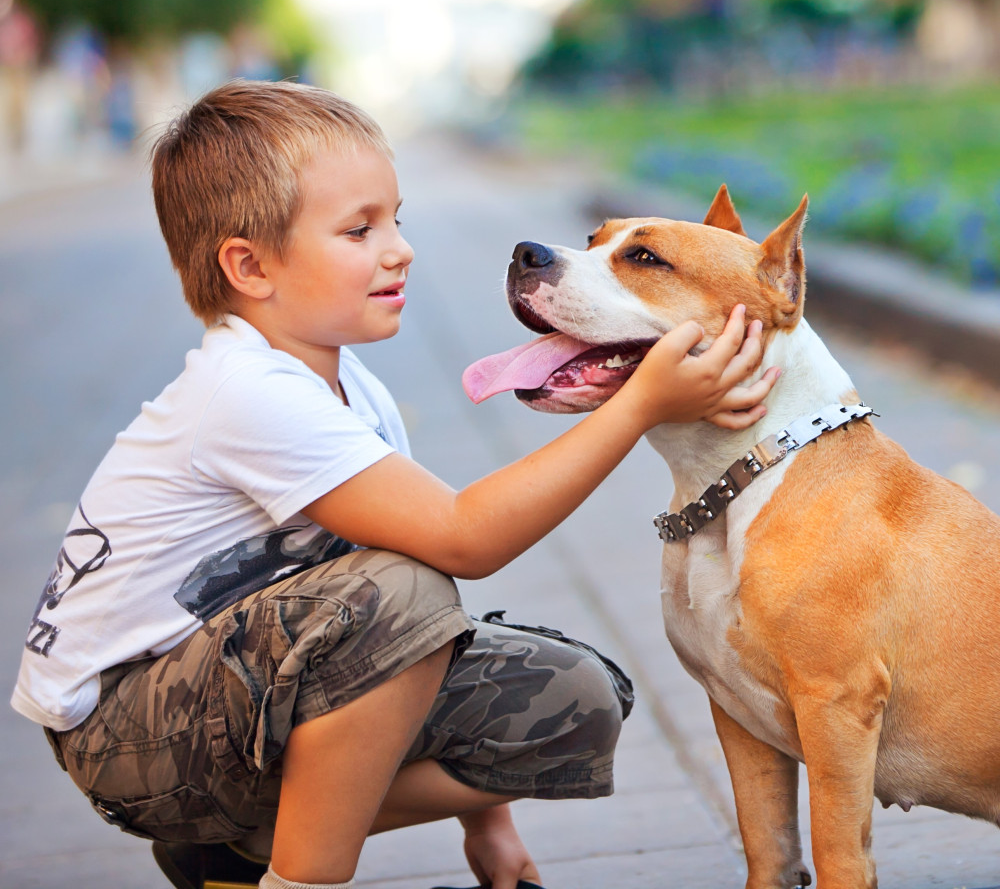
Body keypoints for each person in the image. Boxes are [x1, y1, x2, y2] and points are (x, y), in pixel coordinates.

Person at [10, 80, 778, 889]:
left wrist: (490, 828)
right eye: (358, 229)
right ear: (249, 266)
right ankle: (299, 878)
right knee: (403, 591)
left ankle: (233, 848)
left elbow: (417, 616)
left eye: (397, 220)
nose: (398, 248)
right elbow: (462, 540)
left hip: (240, 703)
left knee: (573, 702)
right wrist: (641, 405)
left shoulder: (354, 391)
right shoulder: (243, 392)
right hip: (127, 738)